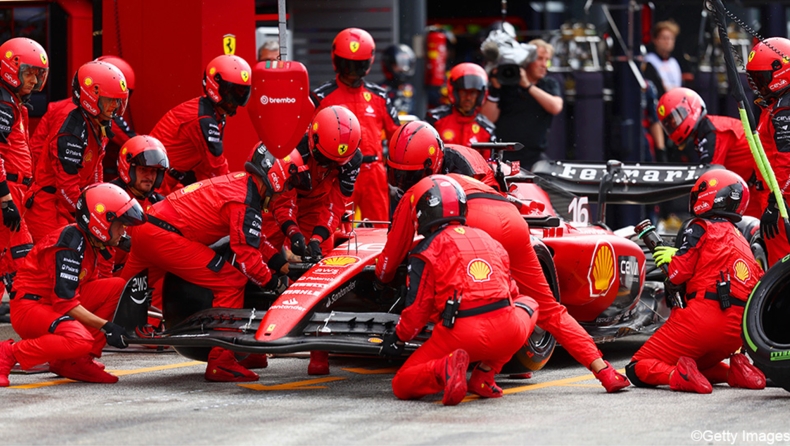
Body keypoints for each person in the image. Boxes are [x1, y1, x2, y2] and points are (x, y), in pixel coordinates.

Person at [379, 137, 631, 392]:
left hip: (474, 222)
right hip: (512, 217)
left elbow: (387, 265)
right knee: (548, 310)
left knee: (455, 295)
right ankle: (605, 371)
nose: (403, 181)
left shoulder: (419, 191)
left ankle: (448, 362)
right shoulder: (467, 159)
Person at [120, 144, 304, 382]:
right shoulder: (246, 199)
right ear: (276, 178)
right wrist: (276, 284)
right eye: (289, 183)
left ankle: (81, 349)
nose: (288, 190)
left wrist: (281, 264)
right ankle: (222, 361)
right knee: (232, 282)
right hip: (164, 235)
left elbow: (254, 239)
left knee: (118, 296)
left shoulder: (242, 185)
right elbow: (247, 258)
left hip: (149, 228)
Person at [379, 174, 539, 405]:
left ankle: (444, 369)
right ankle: (485, 374)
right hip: (507, 331)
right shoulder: (489, 240)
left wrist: (398, 337)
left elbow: (417, 312)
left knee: (401, 383)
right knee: (530, 304)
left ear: (422, 211)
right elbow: (511, 291)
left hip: (460, 334)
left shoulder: (424, 250)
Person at [626, 170, 766, 393]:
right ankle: (734, 371)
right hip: (736, 332)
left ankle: (677, 376)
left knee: (636, 367)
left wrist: (674, 257)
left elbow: (677, 275)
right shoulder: (741, 238)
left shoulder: (699, 226)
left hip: (703, 318)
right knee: (698, 362)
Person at [0, 183, 146, 386]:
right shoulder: (70, 243)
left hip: (50, 302)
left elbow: (87, 288)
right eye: (120, 224)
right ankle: (8, 353)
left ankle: (77, 362)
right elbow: (65, 302)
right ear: (101, 222)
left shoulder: (91, 241)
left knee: (117, 287)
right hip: (30, 308)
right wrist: (107, 327)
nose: (124, 230)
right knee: (80, 339)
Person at [259, 105, 362, 375]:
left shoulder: (351, 159)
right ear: (313, 141)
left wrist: (318, 236)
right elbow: (283, 202)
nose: (330, 167)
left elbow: (337, 204)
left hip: (318, 205)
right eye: (325, 160)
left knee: (322, 276)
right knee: (259, 261)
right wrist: (292, 233)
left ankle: (319, 353)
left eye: (335, 164)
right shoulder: (291, 149)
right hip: (280, 199)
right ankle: (251, 350)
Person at [25, 60, 128, 243]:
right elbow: (66, 187)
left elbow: (97, 169)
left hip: (72, 202)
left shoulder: (99, 123)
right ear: (91, 97)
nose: (114, 106)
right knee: (54, 260)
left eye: (117, 101)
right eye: (109, 100)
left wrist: (100, 202)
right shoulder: (71, 132)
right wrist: (94, 217)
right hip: (48, 206)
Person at [311, 28, 401, 224]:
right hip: (338, 173)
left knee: (378, 229)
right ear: (337, 61)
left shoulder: (380, 96)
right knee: (335, 228)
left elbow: (397, 137)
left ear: (367, 64)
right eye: (347, 65)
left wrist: (398, 178)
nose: (352, 72)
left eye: (357, 66)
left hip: (374, 174)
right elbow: (309, 138)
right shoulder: (321, 97)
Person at [151, 54, 251, 194]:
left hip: (173, 181)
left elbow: (206, 168)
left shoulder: (213, 113)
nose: (235, 102)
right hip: (156, 183)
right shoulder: (204, 119)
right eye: (232, 94)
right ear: (216, 86)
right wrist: (237, 191)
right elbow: (216, 166)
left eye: (241, 94)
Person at [657, 87, 760, 218]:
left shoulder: (713, 131)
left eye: (675, 118)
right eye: (669, 124)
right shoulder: (704, 132)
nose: (674, 125)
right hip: (749, 189)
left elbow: (712, 180)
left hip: (762, 187)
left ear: (689, 108)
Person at [29, 55, 137, 178]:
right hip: (47, 183)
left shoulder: (93, 114)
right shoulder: (72, 114)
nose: (115, 104)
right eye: (112, 98)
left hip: (50, 179)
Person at [0, 37, 49, 292]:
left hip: (16, 190)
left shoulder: (13, 103)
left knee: (10, 260)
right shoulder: (4, 105)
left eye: (37, 74)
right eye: (28, 73)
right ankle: (29, 316)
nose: (33, 80)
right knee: (21, 258)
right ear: (11, 69)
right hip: (7, 190)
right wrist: (5, 197)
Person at [480, 39, 563, 171]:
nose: (544, 64)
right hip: (503, 157)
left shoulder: (549, 84)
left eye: (547, 59)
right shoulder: (506, 83)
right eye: (540, 59)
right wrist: (495, 89)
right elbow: (487, 119)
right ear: (527, 60)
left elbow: (555, 107)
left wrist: (527, 86)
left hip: (535, 158)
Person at [745, 37, 790, 267]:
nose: (758, 84)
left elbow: (787, 161)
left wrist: (776, 201)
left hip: (783, 201)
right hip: (771, 195)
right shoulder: (775, 104)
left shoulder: (784, 109)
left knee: (781, 267)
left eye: (762, 78)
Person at [387, 120, 497, 198]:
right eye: (398, 175)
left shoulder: (463, 172)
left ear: (432, 165)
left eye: (411, 176)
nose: (403, 183)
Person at [109, 134, 169, 276]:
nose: (149, 176)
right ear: (128, 167)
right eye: (143, 169)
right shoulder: (107, 196)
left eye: (154, 171)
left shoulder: (161, 204)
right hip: (108, 274)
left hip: (141, 274)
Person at [425, 63, 496, 159]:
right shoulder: (435, 120)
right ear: (454, 92)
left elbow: (490, 166)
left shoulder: (486, 129)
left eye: (473, 93)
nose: (468, 98)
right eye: (463, 92)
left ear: (480, 95)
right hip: (440, 173)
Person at [644, 20, 683, 92]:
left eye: (671, 38)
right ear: (655, 40)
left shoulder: (674, 62)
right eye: (664, 38)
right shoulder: (649, 61)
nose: (668, 42)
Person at [380, 44, 416, 116]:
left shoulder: (410, 89)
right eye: (398, 65)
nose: (403, 68)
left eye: (405, 64)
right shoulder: (380, 90)